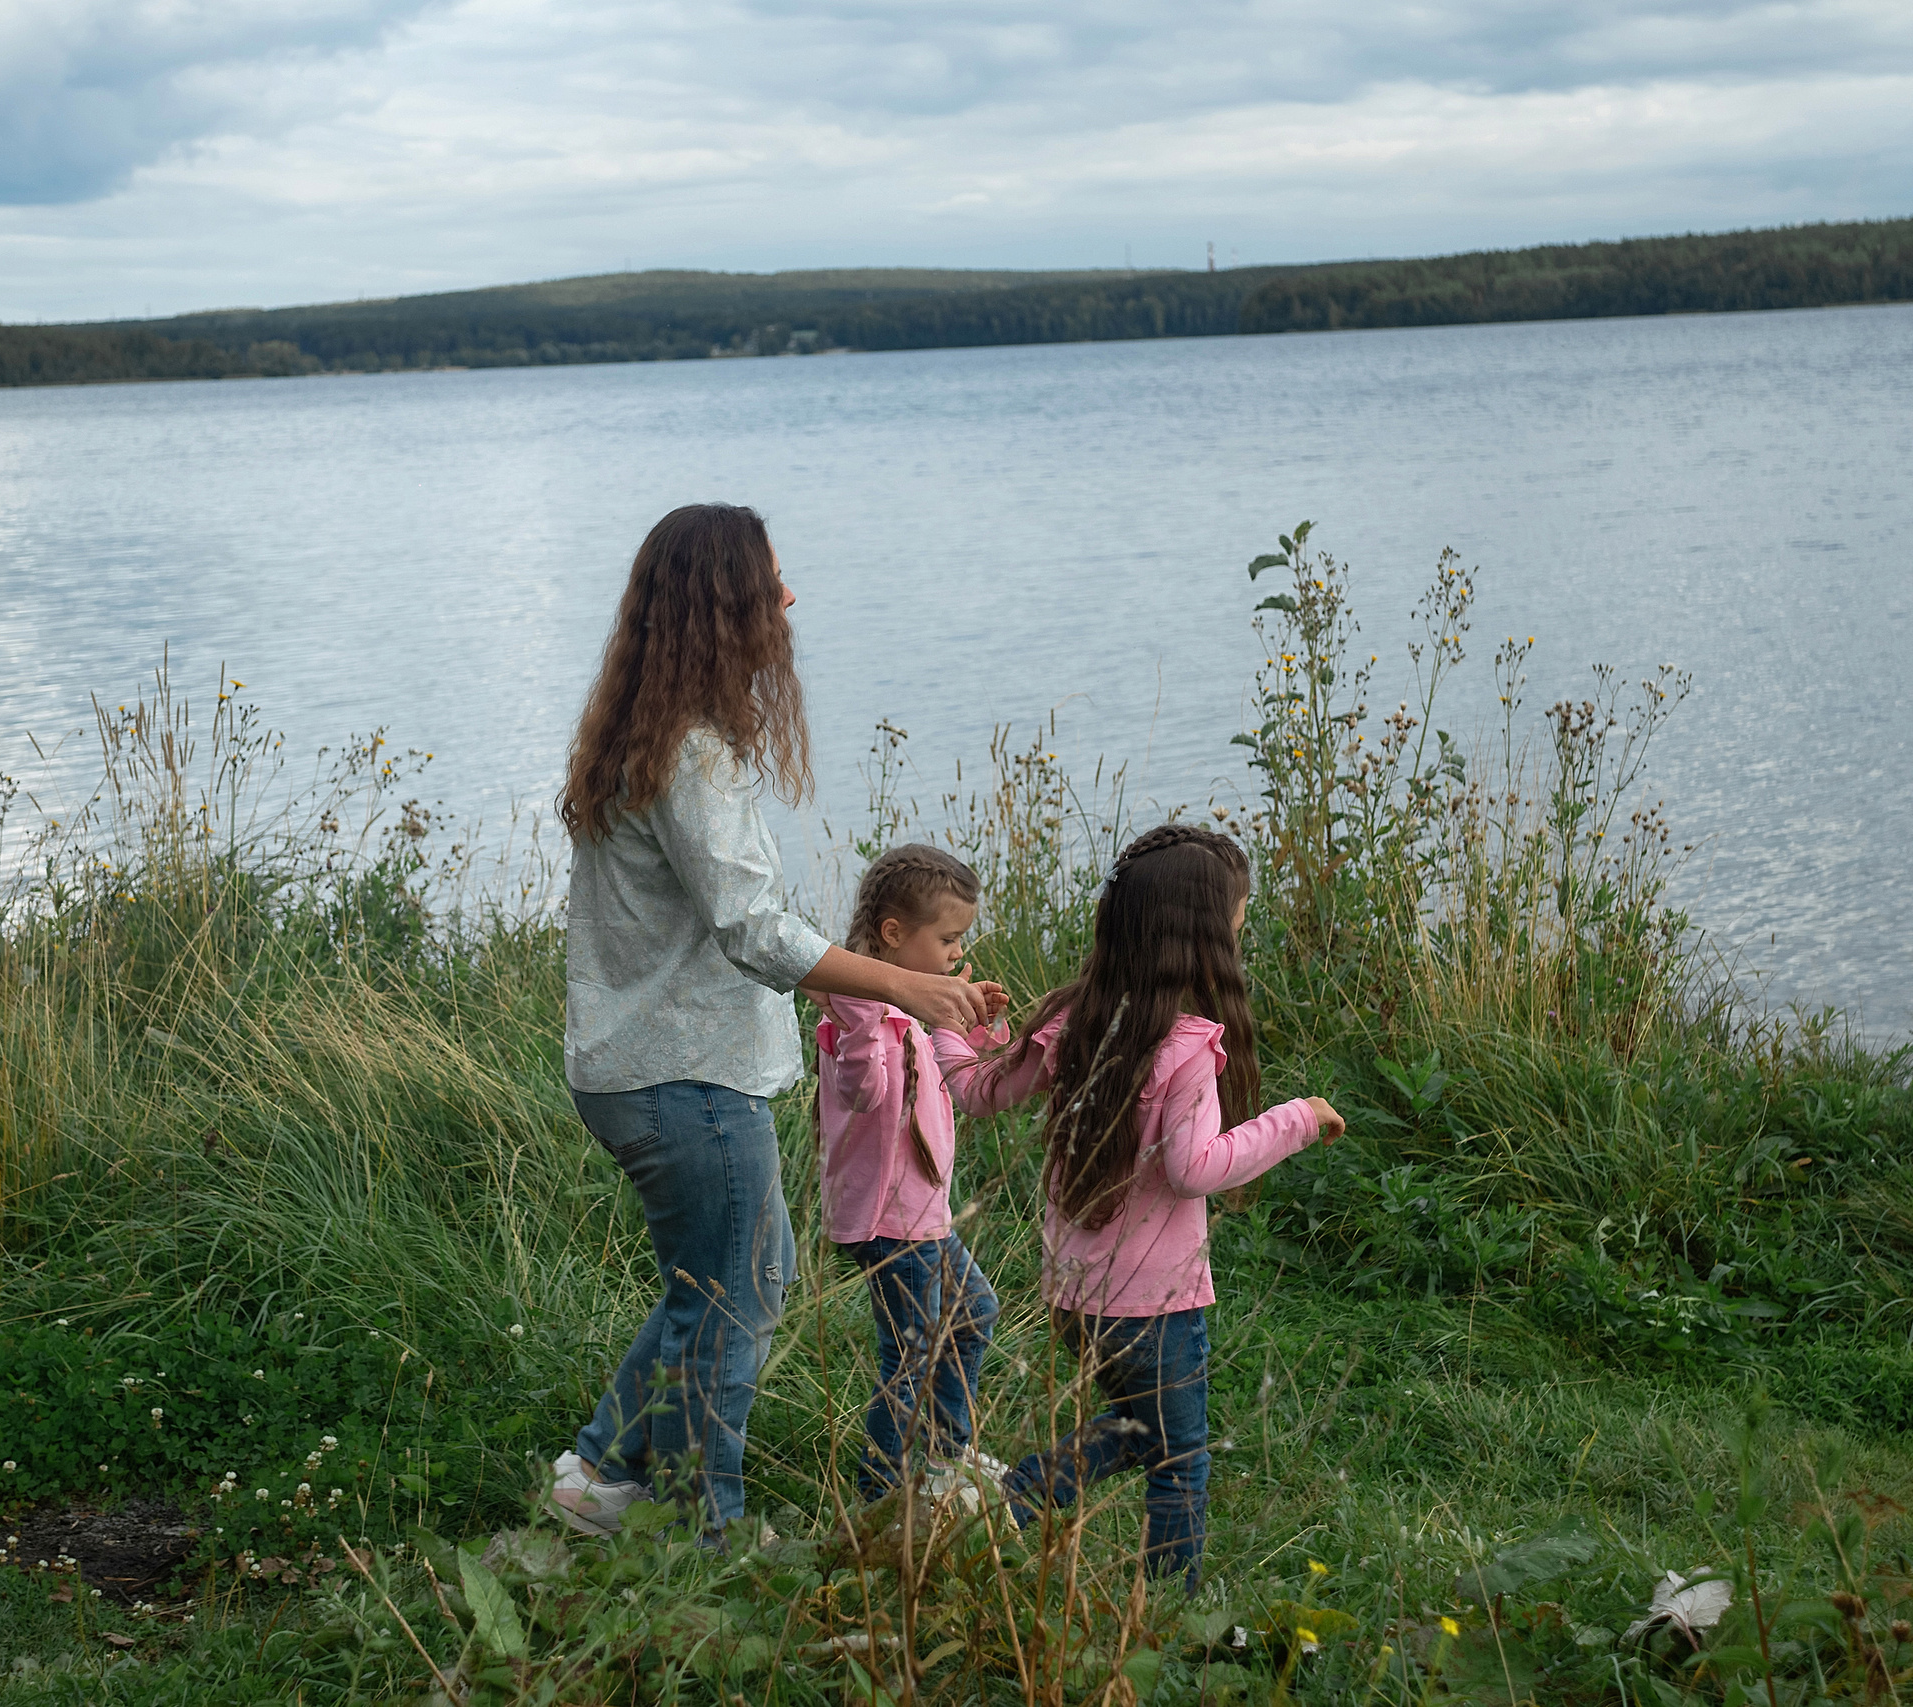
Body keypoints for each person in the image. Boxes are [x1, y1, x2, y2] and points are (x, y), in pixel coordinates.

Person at [551, 502, 1004, 1539]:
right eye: (771, 583)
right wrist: (908, 987)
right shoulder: (690, 755)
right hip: (683, 1075)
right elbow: (753, 928)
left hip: (639, 1067)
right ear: (728, 606)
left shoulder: (642, 738)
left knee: (710, 1286)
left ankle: (600, 1476)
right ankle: (708, 1531)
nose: (789, 599)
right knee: (738, 1298)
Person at [937, 823, 1344, 1588]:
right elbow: (1196, 1169)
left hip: (1077, 1297)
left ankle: (1000, 1501)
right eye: (1238, 918)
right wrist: (1297, 1119)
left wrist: (953, 1028)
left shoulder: (1074, 1019)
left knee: (1137, 1434)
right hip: (1155, 1307)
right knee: (1180, 1462)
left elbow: (976, 1089)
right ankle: (1168, 1610)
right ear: (1202, 937)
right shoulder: (1186, 1046)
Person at [815, 843, 1012, 1504]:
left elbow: (946, 1080)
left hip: (922, 1214)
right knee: (912, 1353)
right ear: (895, 936)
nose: (959, 951)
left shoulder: (906, 1011)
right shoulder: (858, 1018)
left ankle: (941, 1454)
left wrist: (972, 1017)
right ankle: (883, 1490)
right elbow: (866, 1093)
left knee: (973, 1311)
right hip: (886, 1221)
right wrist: (865, 1016)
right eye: (949, 938)